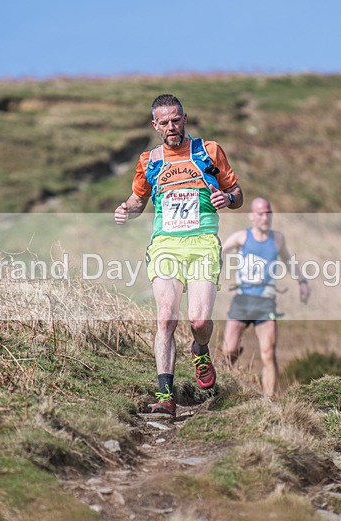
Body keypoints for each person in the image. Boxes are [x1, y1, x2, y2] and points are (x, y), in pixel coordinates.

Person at [114, 94, 243, 417]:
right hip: (166, 245)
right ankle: (166, 395)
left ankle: (200, 349)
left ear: (184, 119)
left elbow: (238, 194)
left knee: (199, 321)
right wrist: (125, 209)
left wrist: (227, 199)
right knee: (166, 317)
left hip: (202, 244)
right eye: (164, 122)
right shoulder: (150, 161)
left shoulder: (208, 151)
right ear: (154, 125)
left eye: (176, 120)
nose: (171, 127)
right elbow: (138, 200)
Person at [220, 197, 310, 397]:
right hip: (242, 300)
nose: (265, 217)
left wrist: (302, 282)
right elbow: (219, 251)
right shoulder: (242, 237)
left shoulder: (277, 239)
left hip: (265, 303)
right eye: (260, 213)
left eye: (268, 212)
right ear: (252, 216)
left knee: (268, 353)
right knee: (228, 351)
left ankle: (268, 400)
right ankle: (222, 389)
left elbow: (289, 261)